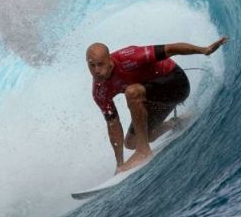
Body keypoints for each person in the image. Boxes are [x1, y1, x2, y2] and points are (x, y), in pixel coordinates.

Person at [86, 37, 227, 173]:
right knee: (130, 142)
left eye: (100, 64)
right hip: (154, 99)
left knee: (132, 92)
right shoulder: (99, 91)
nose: (96, 70)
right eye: (92, 65)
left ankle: (143, 151)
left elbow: (170, 49)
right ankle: (175, 123)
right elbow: (113, 124)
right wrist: (120, 164)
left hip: (176, 85)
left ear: (109, 60)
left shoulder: (129, 57)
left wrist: (204, 50)